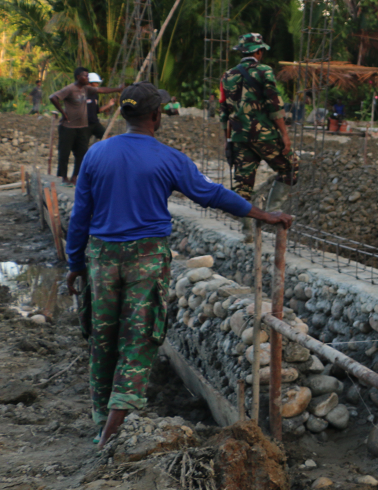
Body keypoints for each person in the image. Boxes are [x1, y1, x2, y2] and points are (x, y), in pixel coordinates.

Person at [64, 82, 293, 448]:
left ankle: (102, 418)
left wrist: (74, 263)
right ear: (156, 116)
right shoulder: (169, 158)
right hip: (146, 258)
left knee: (102, 338)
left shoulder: (95, 154)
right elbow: (211, 194)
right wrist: (262, 214)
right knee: (138, 338)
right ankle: (112, 429)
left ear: (123, 114)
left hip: (102, 258)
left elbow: (80, 216)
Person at [220, 33, 299, 201]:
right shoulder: (264, 71)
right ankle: (273, 214)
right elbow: (274, 105)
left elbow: (224, 112)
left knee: (242, 186)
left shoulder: (227, 75)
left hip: (239, 138)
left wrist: (228, 140)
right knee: (290, 168)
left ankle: (247, 227)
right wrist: (285, 134)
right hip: (264, 135)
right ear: (258, 52)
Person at [50, 68, 122, 184]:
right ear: (78, 77)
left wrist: (118, 89)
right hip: (68, 127)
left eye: (88, 77)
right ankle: (64, 177)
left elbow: (102, 90)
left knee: (82, 152)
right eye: (86, 77)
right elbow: (53, 97)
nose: (88, 79)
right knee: (65, 152)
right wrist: (63, 113)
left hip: (83, 126)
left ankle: (75, 177)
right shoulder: (70, 89)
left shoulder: (88, 90)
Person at [85, 73, 117, 142]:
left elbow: (97, 110)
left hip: (95, 123)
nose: (97, 85)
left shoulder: (94, 95)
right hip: (85, 125)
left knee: (107, 138)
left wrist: (108, 105)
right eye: (96, 83)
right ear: (89, 83)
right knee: (83, 145)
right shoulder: (82, 94)